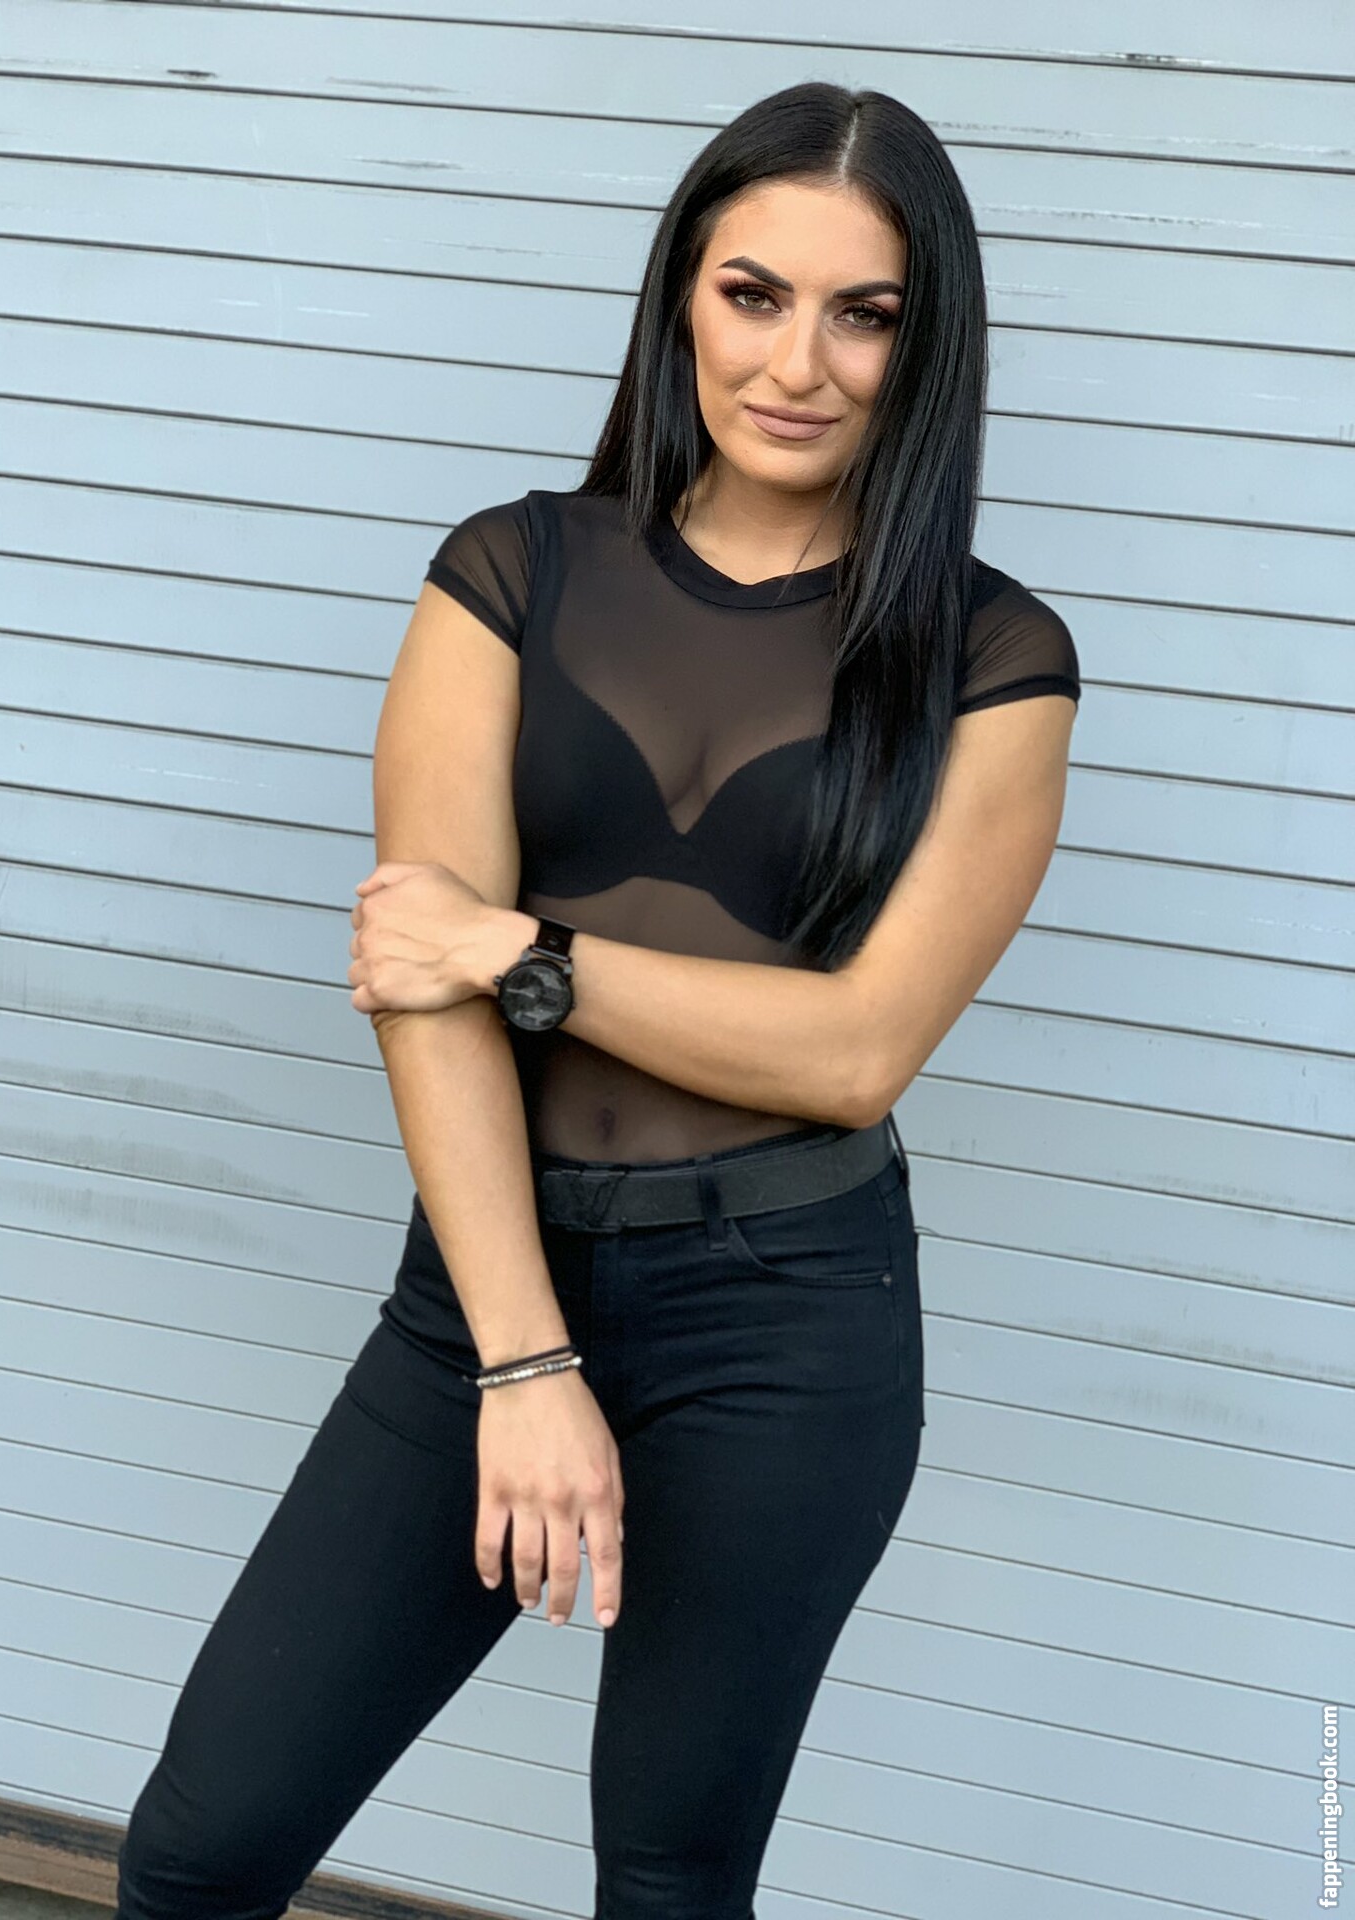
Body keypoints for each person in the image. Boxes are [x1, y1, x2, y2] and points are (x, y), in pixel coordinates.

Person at [116, 79, 1079, 1920]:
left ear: (926, 344)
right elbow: (416, 984)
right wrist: (524, 1357)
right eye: (752, 293)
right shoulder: (512, 571)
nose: (796, 363)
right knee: (200, 1848)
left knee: (669, 1879)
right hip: (483, 1287)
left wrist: (522, 951)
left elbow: (854, 1050)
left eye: (864, 314)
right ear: (680, 296)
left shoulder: (995, 658)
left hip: (789, 1322)